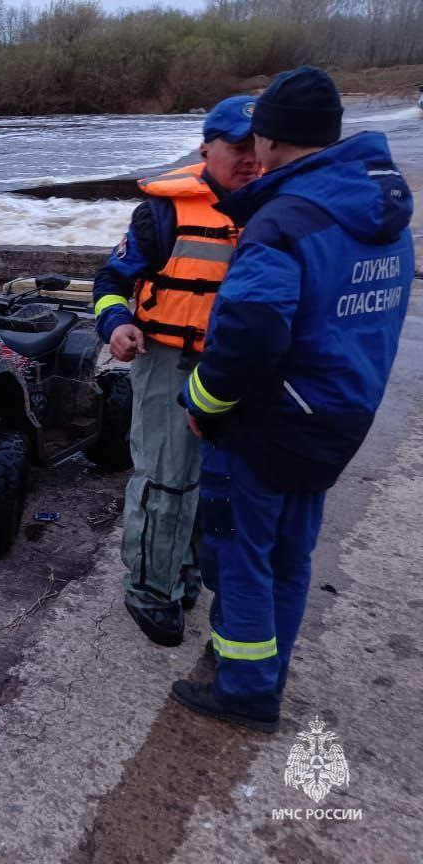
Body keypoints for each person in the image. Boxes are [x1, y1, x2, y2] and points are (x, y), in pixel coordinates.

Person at [173, 66, 414, 731]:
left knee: (242, 553)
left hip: (270, 422)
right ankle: (267, 667)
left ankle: (246, 688)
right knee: (292, 553)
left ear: (273, 140)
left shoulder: (284, 221)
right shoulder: (383, 214)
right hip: (340, 416)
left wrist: (202, 401)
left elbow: (249, 333)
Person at [92, 96, 261, 646]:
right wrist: (116, 326)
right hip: (167, 362)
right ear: (206, 148)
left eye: (258, 146)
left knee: (214, 481)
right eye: (237, 147)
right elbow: (110, 282)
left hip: (234, 367)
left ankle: (184, 575)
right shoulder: (161, 214)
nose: (250, 158)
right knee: (166, 479)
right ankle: (148, 590)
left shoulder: (273, 207)